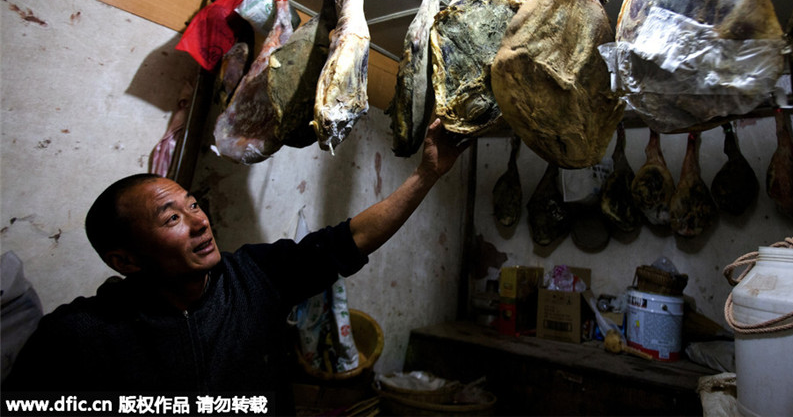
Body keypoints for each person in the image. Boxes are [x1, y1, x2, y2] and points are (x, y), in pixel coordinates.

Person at [4, 119, 469, 415]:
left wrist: (427, 174)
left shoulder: (254, 277)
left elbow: (351, 240)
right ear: (124, 260)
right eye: (172, 218)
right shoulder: (78, 334)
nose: (199, 222)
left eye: (193, 205)